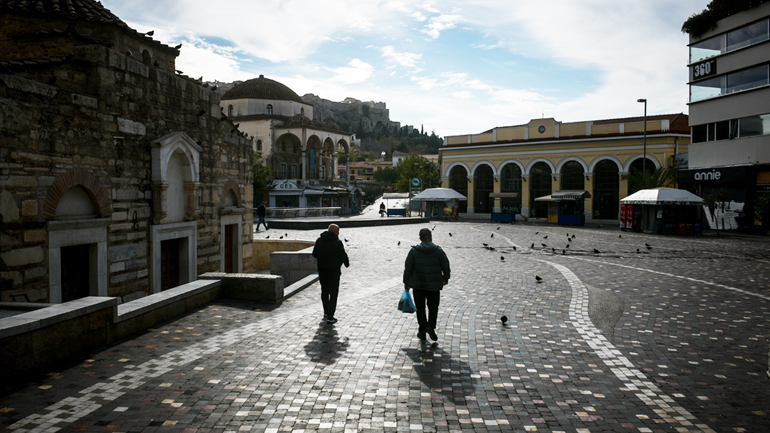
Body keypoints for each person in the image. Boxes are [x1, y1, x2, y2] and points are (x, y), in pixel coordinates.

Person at [403, 228, 450, 341]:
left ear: (420, 238)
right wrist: (446, 277)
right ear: (431, 237)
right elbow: (445, 265)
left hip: (418, 285)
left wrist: (406, 282)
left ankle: (422, 330)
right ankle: (430, 326)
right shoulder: (438, 251)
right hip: (434, 285)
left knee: (420, 308)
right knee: (433, 307)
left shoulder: (414, 251)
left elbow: (408, 267)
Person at [312, 224, 349, 324]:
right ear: (335, 232)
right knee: (333, 293)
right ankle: (330, 316)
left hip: (322, 269)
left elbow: (314, 254)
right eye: (338, 232)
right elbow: (343, 255)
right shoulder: (337, 242)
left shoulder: (319, 240)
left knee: (324, 291)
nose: (338, 234)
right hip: (333, 271)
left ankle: (326, 311)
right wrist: (346, 263)